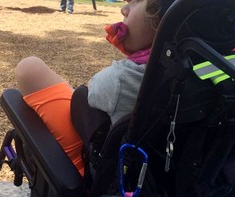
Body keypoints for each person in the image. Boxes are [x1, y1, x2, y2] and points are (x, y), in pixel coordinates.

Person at [15, 0, 175, 176]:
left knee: (29, 68)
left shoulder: (123, 78)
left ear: (162, 16)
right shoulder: (198, 70)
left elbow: (93, 93)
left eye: (135, 1)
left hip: (97, 172)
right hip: (167, 171)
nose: (124, 10)